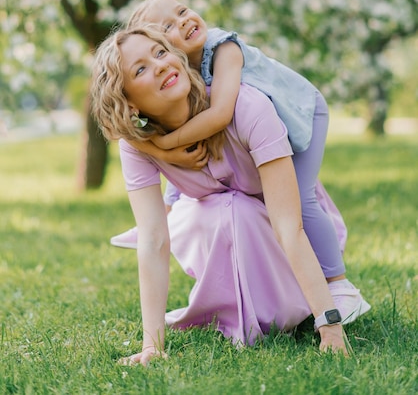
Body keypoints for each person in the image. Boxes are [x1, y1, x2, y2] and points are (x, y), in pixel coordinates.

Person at [91, 25, 354, 364]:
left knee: (236, 209)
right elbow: (154, 238)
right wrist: (152, 346)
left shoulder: (247, 107)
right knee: (206, 211)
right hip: (218, 233)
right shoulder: (139, 147)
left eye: (160, 53)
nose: (159, 65)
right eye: (140, 69)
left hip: (289, 237)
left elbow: (290, 225)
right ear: (127, 101)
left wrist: (330, 327)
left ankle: (297, 306)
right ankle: (233, 309)